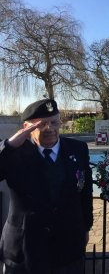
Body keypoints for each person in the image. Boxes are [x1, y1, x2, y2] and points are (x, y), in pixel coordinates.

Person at [0, 99, 93, 274]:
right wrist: (10, 145)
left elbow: (85, 192)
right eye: (41, 124)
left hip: (68, 245)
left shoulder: (78, 149)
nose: (49, 128)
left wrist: (86, 227)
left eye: (54, 122)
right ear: (27, 127)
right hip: (25, 248)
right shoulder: (14, 153)